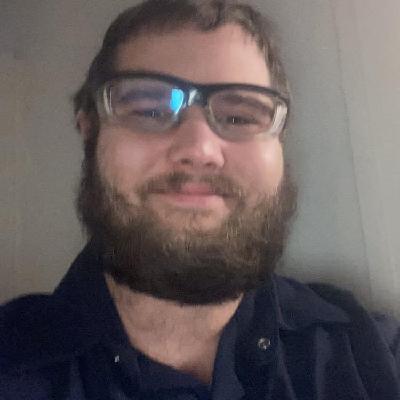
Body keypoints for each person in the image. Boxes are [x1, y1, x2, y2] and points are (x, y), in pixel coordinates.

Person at [1, 0, 399, 399]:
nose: (199, 149)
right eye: (149, 111)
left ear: (280, 143)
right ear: (89, 130)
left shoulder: (374, 354)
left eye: (240, 117)